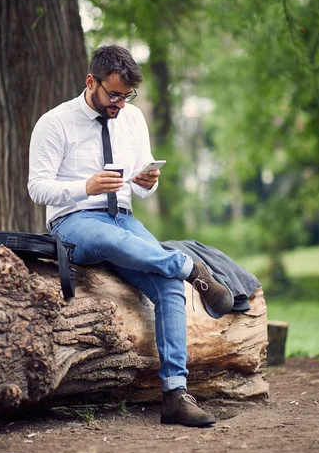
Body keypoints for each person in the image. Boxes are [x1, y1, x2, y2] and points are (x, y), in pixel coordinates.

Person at [28, 45, 233, 427]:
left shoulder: (133, 117)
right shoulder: (54, 123)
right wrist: (84, 186)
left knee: (168, 284)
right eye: (114, 94)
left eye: (127, 95)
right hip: (74, 221)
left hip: (123, 216)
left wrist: (148, 181)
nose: (121, 103)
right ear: (92, 82)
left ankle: (174, 394)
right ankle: (191, 267)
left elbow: (142, 188)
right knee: (112, 242)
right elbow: (37, 187)